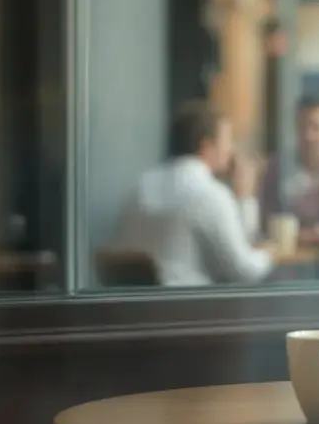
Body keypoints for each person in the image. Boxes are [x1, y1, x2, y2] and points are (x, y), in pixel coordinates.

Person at [111, 100, 272, 286]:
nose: (232, 149)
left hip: (134, 302)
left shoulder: (140, 187)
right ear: (206, 147)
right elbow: (243, 271)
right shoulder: (210, 194)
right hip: (188, 301)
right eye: (228, 141)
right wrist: (269, 254)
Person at [259, 95, 319, 246]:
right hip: (290, 252)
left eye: (316, 127)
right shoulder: (277, 167)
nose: (308, 135)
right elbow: (267, 217)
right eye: (302, 126)